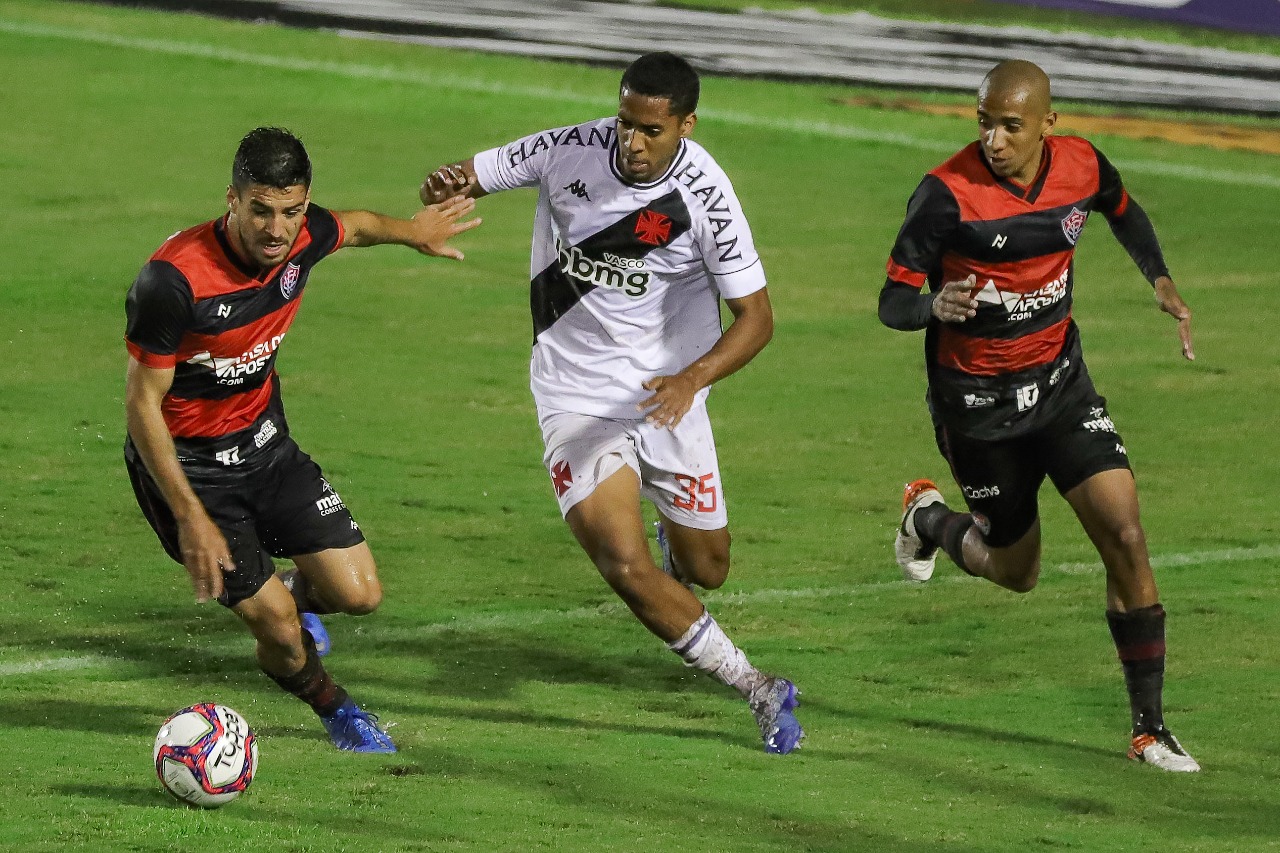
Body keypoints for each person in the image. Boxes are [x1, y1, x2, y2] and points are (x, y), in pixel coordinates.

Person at [420, 52, 803, 753]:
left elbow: (757, 317)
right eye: (626, 122)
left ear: (686, 124)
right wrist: (449, 181)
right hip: (575, 395)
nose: (630, 140)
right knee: (626, 565)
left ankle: (674, 543)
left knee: (708, 568)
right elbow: (477, 170)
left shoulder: (706, 197)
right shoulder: (570, 147)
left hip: (666, 396)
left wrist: (692, 379)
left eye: (650, 130)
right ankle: (756, 684)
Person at [879, 60, 1198, 772]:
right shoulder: (945, 195)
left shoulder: (1080, 164)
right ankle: (927, 519)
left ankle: (1150, 728)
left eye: (1009, 125)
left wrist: (1161, 278)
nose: (993, 138)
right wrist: (933, 305)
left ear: (1048, 124)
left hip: (1060, 386)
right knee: (1017, 571)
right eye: (984, 122)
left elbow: (1121, 206)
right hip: (979, 408)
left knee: (1126, 530)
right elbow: (891, 297)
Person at [125, 127, 480, 753]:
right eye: (260, 209)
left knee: (359, 594)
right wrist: (190, 517)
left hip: (267, 449)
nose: (276, 229)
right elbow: (141, 406)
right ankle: (337, 709)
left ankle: (285, 591)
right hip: (191, 472)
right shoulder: (173, 282)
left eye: (290, 211)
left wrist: (413, 231)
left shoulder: (303, 237)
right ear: (231, 200)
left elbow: (360, 225)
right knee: (283, 636)